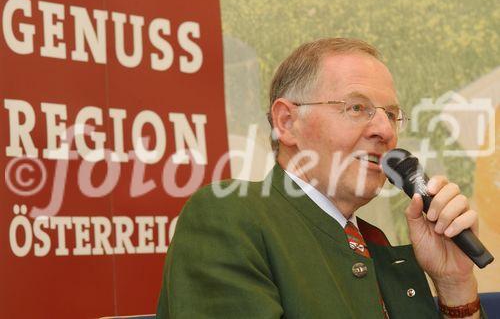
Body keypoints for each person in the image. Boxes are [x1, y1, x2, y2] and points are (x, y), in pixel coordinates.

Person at [157, 38, 484, 318]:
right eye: (357, 108)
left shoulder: (376, 243)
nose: (385, 130)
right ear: (286, 122)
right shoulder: (229, 216)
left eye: (391, 115)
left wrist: (454, 282)